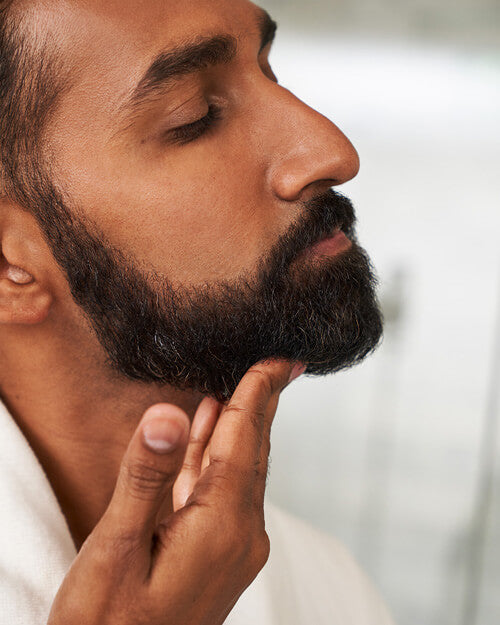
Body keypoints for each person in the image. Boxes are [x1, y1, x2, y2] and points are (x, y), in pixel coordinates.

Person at [0, 0, 392, 623]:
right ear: (10, 266)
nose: (331, 151)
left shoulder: (331, 590)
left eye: (269, 68)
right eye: (197, 116)